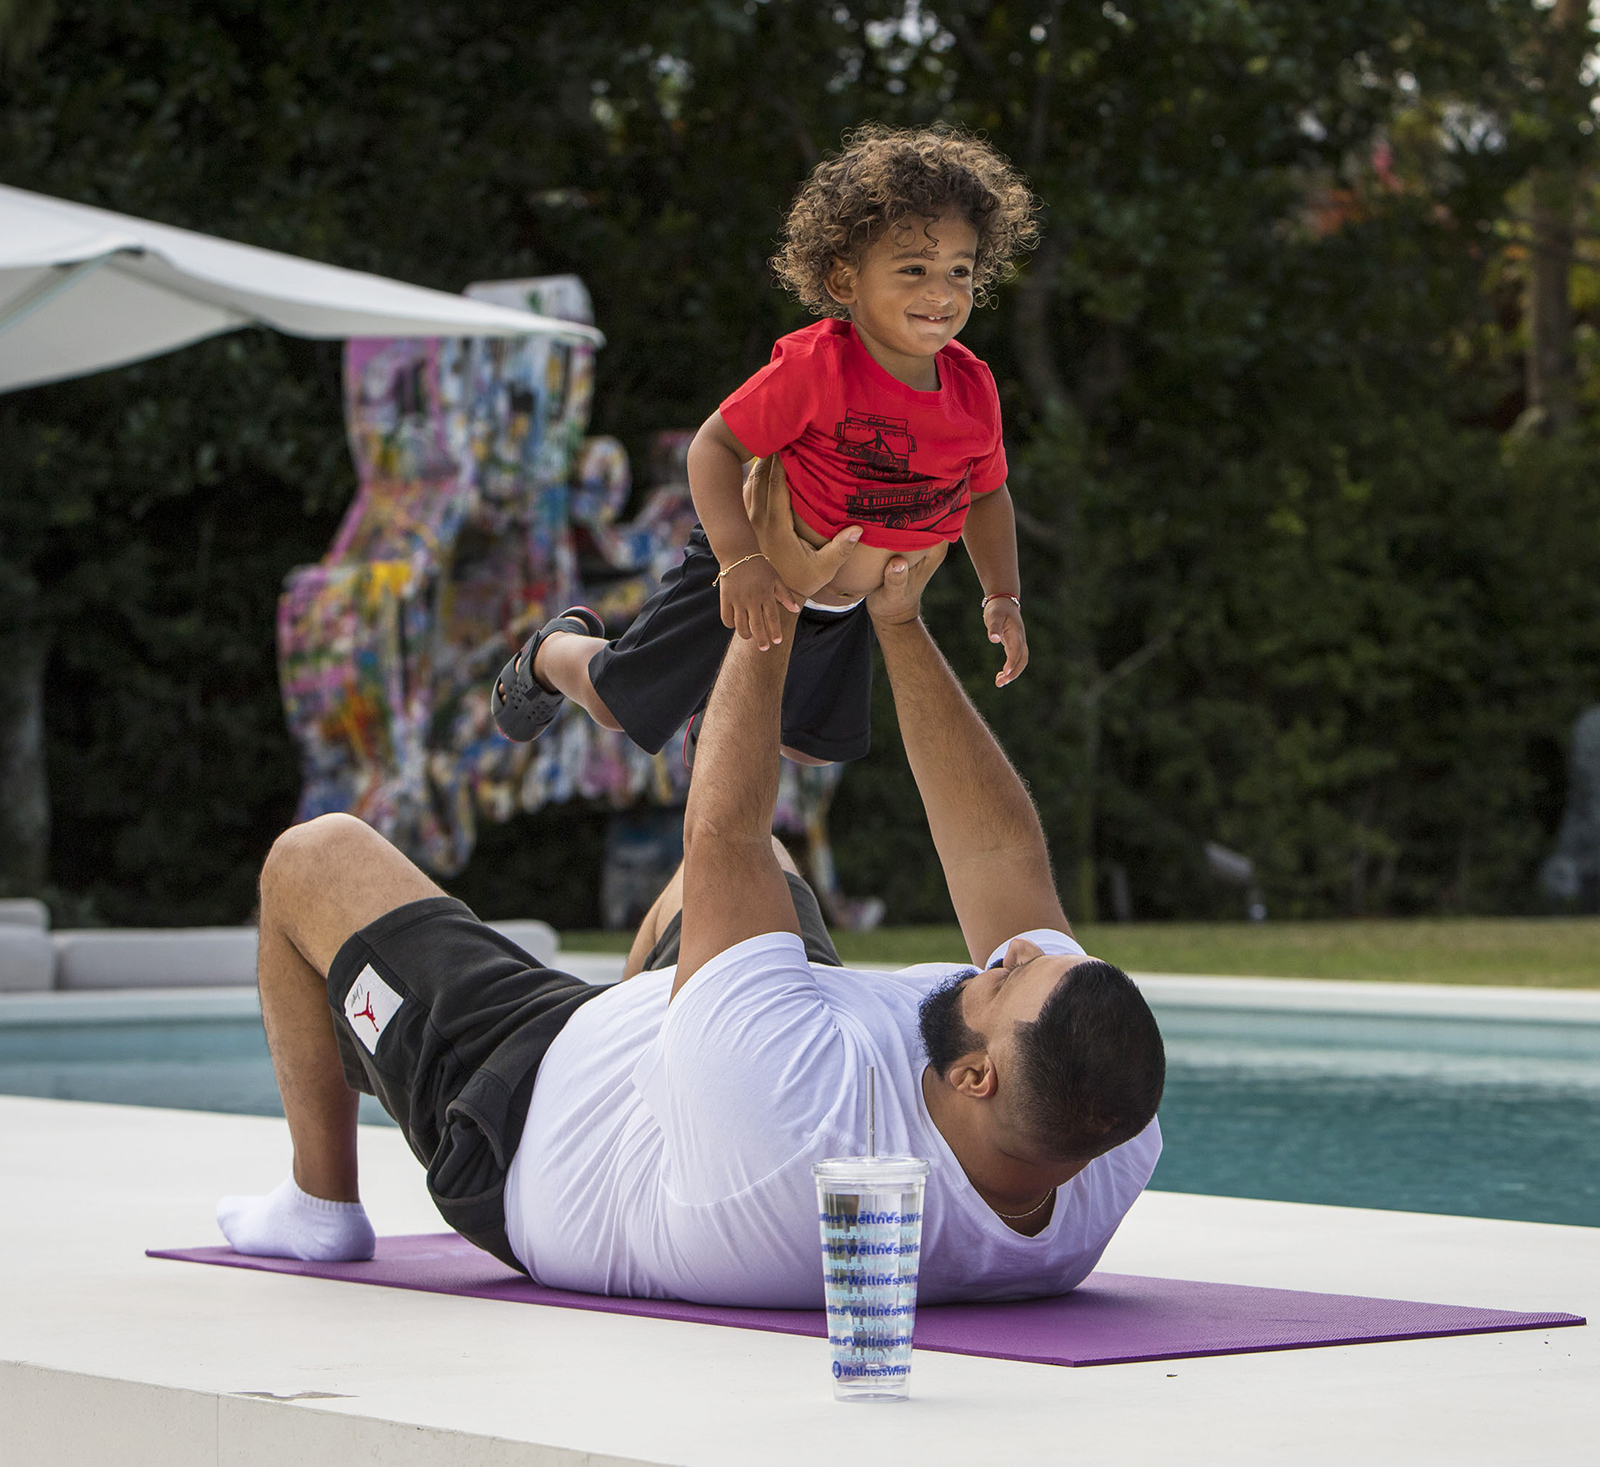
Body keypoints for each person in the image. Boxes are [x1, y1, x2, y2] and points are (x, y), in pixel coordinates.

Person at [218, 489, 1165, 1306]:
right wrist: (899, 621)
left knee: (313, 858)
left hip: (522, 1105)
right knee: (764, 887)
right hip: (724, 1060)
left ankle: (319, 1205)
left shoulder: (787, 1126)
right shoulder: (1102, 1132)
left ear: (975, 1075)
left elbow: (722, 830)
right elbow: (1001, 849)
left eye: (1009, 979)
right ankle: (682, 1021)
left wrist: (774, 580)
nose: (1021, 950)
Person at [492, 124, 1039, 771]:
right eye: (914, 269)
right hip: (746, 570)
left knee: (805, 751)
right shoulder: (819, 367)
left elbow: (987, 492)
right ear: (844, 280)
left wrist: (1001, 594)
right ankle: (554, 651)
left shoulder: (972, 389)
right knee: (617, 706)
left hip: (841, 605)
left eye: (959, 270)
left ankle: (713, 717)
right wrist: (739, 560)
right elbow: (713, 446)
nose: (941, 293)